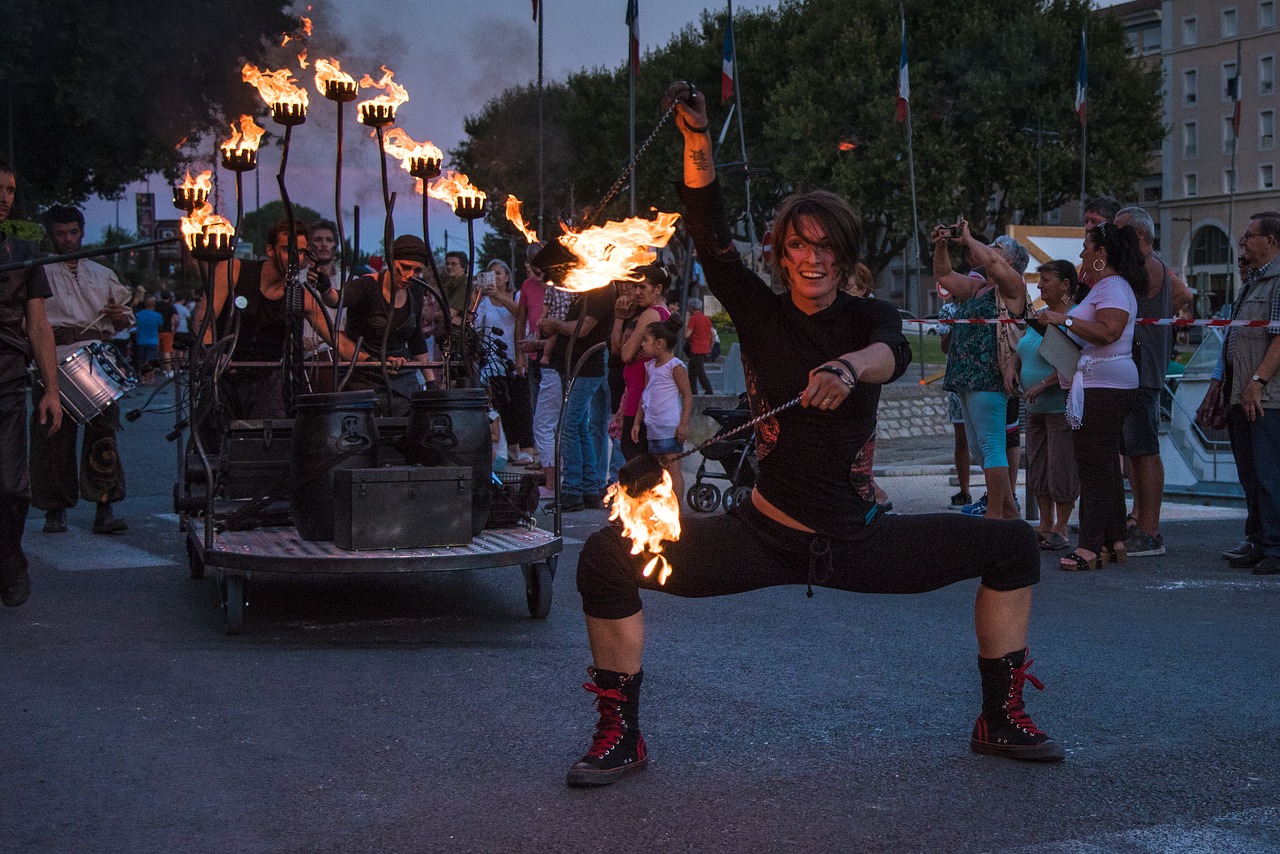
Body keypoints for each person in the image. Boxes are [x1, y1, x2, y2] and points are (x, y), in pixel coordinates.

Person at [564, 82, 1062, 788]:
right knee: (604, 558)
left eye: (827, 247)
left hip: (858, 542)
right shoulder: (759, 314)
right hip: (760, 535)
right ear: (781, 254)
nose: (814, 257)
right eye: (799, 245)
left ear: (844, 255)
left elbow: (887, 356)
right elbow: (707, 233)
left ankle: (1000, 719)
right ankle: (621, 734)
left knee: (1012, 547)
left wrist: (848, 366)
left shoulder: (870, 317)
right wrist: (698, 140)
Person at [1038, 222, 1144, 571]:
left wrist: (1062, 321)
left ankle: (1089, 546)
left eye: (1086, 247)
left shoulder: (1112, 288)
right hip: (1101, 382)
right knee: (1104, 465)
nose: (1081, 253)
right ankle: (1114, 540)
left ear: (1102, 253)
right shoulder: (1106, 287)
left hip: (1104, 384)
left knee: (1093, 467)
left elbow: (1107, 332)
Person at [32, 205, 134, 536]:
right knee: (52, 437)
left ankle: (104, 507)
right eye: (60, 233)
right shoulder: (39, 272)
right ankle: (54, 509)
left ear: (81, 232)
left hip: (94, 358)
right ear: (52, 235)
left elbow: (123, 317)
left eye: (72, 232)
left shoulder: (101, 273)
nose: (67, 239)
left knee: (103, 436)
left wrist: (119, 317)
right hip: (52, 357)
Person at [1196, 212, 1280, 576]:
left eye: (1250, 236)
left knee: (1267, 473)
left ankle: (1275, 547)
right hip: (1242, 395)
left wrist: (1256, 383)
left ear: (1271, 240)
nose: (1243, 242)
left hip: (1265, 398)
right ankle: (1260, 541)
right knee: (1249, 474)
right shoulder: (1253, 283)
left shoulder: (1277, 282)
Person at [196, 219, 342, 419]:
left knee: (268, 437)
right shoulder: (235, 270)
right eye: (285, 249)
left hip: (267, 383)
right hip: (222, 376)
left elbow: (336, 338)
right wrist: (212, 352)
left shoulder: (301, 294)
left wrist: (372, 359)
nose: (293, 258)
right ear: (270, 250)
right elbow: (203, 321)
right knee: (216, 434)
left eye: (299, 252)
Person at [933, 225, 1031, 521]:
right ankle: (1010, 514)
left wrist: (968, 239)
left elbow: (991, 262)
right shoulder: (978, 288)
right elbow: (944, 276)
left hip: (989, 376)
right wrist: (941, 245)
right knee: (978, 448)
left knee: (991, 444)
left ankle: (994, 515)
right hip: (966, 377)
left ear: (1010, 262)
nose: (989, 254)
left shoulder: (1013, 286)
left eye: (998, 249)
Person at [1113, 206, 1193, 559]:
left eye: (1120, 232)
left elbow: (1182, 294)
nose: (1113, 239)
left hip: (1141, 372)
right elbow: (1182, 294)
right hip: (1139, 368)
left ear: (1140, 236)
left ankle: (1150, 530)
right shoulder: (1153, 264)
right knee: (1137, 451)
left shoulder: (1144, 267)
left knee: (1144, 452)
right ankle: (1143, 523)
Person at [0, 163, 62, 606]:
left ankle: (10, 563)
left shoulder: (24, 252)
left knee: (10, 485)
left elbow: (38, 326)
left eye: (10, 190)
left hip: (7, 379)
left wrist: (52, 390)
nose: (5, 197)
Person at [1019, 262, 1080, 551]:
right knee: (1038, 466)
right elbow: (1024, 348)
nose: (1040, 285)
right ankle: (1044, 524)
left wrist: (1042, 384)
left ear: (1065, 284)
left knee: (1061, 467)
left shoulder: (1074, 317)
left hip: (1059, 407)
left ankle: (1061, 527)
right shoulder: (1040, 317)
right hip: (1034, 410)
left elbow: (1074, 360)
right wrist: (1012, 368)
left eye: (1046, 280)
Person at [541, 277, 615, 512]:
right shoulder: (586, 290)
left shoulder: (601, 290)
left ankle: (573, 490)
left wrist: (554, 322)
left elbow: (583, 329)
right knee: (580, 426)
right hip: (575, 366)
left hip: (587, 367)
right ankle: (588, 489)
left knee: (568, 426)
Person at [338, 234, 431, 415]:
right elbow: (338, 300)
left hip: (402, 378)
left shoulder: (416, 291)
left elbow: (416, 337)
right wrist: (325, 289)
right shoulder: (366, 286)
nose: (409, 276)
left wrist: (431, 382)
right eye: (404, 268)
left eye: (417, 270)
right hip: (364, 376)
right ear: (391, 260)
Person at [475, 259, 535, 466]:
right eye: (491, 274)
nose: (496, 278)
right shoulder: (484, 302)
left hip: (516, 355)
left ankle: (527, 448)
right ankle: (512, 447)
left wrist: (499, 295)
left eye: (499, 274)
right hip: (493, 359)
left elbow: (521, 314)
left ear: (508, 277)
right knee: (503, 404)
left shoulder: (517, 296)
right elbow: (475, 326)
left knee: (521, 403)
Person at [612, 265, 671, 462]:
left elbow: (625, 354)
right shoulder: (662, 313)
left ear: (658, 289)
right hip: (643, 396)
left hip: (639, 397)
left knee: (635, 458)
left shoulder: (651, 314)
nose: (637, 292)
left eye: (643, 287)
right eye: (635, 287)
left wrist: (631, 344)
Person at [632, 319, 692, 503]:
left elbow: (687, 396)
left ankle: (677, 511)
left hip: (669, 425)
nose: (642, 344)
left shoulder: (675, 366)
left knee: (673, 468)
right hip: (653, 425)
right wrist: (637, 421)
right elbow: (645, 394)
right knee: (659, 469)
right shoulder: (649, 366)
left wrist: (683, 424)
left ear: (659, 343)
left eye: (645, 340)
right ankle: (662, 507)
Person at [937, 296, 971, 506]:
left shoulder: (984, 305)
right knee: (961, 436)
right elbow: (943, 347)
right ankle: (964, 489)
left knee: (986, 436)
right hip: (957, 378)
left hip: (981, 375)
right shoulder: (948, 310)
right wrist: (956, 326)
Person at [683, 297, 715, 395]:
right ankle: (693, 390)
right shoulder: (706, 318)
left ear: (692, 308)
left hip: (696, 348)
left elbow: (687, 334)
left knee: (699, 370)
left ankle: (708, 389)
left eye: (689, 307)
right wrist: (710, 347)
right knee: (692, 369)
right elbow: (713, 334)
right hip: (705, 347)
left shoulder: (693, 319)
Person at [134, 296, 163, 381]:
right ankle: (151, 378)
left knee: (141, 360)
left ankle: (142, 377)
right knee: (151, 360)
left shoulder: (139, 314)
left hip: (141, 340)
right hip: (153, 340)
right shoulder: (158, 315)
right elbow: (160, 325)